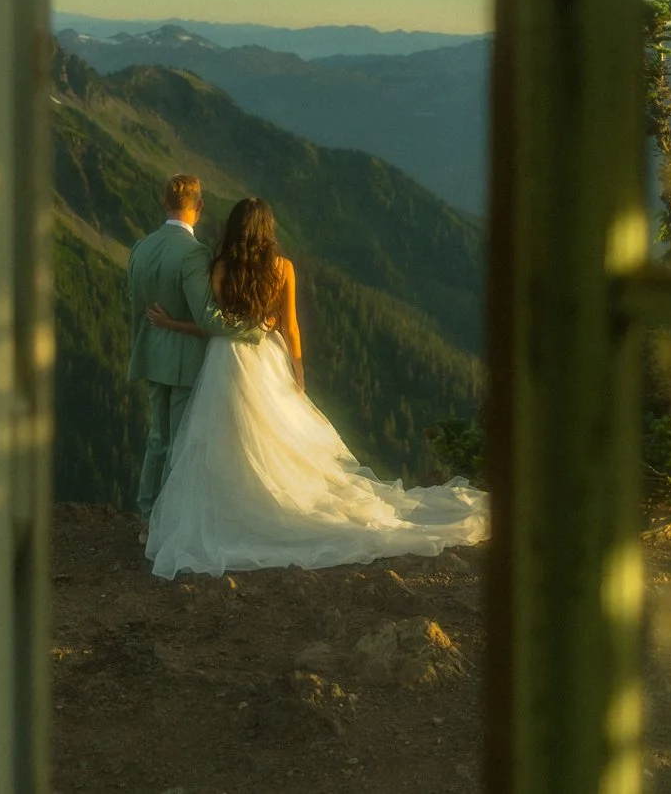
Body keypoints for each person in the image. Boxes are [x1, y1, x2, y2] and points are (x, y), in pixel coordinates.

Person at [139, 196, 489, 579]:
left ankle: (235, 504)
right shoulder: (282, 268)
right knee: (275, 433)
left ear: (235, 228)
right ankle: (271, 495)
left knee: (226, 437)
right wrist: (298, 370)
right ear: (267, 229)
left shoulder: (220, 267)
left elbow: (215, 325)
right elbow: (290, 327)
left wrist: (173, 325)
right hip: (266, 357)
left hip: (225, 358)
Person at [125, 174, 227, 536]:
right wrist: (251, 327)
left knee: (157, 438)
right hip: (186, 358)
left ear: (163, 203)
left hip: (152, 354)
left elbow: (134, 304)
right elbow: (206, 317)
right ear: (199, 206)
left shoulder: (142, 247)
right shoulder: (194, 253)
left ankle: (147, 514)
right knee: (179, 443)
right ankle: (168, 524)